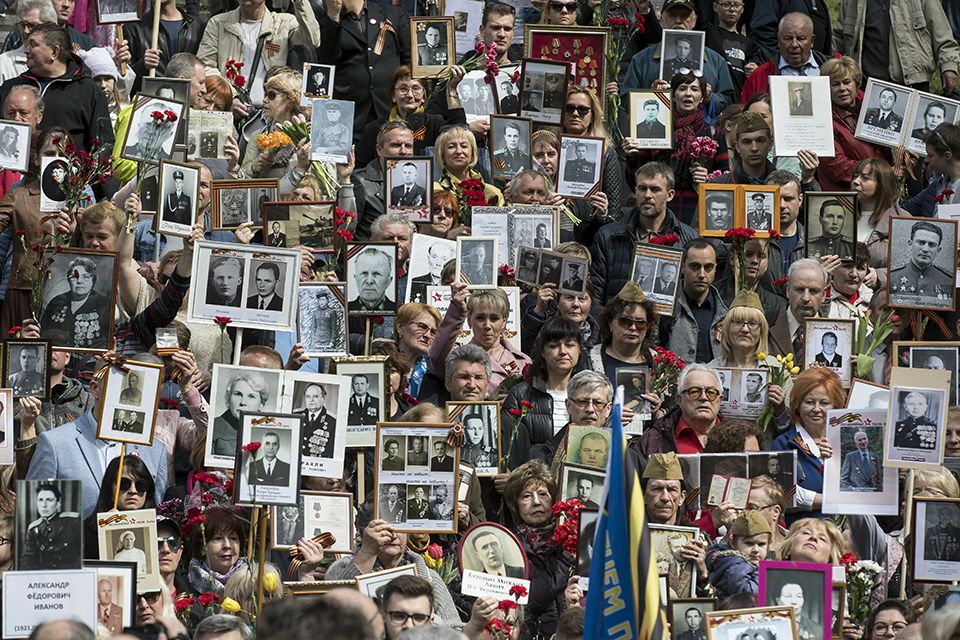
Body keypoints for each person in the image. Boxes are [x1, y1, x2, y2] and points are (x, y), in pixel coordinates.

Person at [0, 24, 109, 154]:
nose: (26, 50)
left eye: (33, 45)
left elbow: (103, 146)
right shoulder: (11, 88)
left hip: (66, 166)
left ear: (54, 52)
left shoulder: (88, 91)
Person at [502, 460, 573, 638]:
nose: (536, 502)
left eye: (542, 494)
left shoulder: (570, 538)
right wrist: (564, 561)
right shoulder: (509, 545)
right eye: (526, 496)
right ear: (515, 505)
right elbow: (528, 600)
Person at [834, 0, 959, 96]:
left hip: (912, 83)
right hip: (868, 84)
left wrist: (949, 66)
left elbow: (942, 34)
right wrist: (823, 62)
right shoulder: (852, 2)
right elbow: (840, 36)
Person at [772, 369, 846, 521]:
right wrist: (834, 501)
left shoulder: (847, 441)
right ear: (797, 405)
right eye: (809, 402)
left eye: (824, 403)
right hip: (804, 529)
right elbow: (785, 495)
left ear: (835, 407)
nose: (816, 409)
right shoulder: (784, 443)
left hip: (846, 530)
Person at [818, 56, 891, 191]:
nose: (842, 88)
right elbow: (836, 166)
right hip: (845, 196)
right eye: (835, 84)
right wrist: (882, 172)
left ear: (856, 84)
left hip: (878, 192)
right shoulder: (823, 121)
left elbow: (885, 153)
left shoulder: (873, 112)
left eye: (846, 82)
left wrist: (902, 161)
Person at [634, 364, 723, 458]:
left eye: (711, 392)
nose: (704, 397)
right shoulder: (651, 441)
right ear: (680, 400)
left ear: (720, 400)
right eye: (694, 392)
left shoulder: (733, 438)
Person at [38, 256, 111, 349]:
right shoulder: (56, 302)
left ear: (93, 280)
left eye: (85, 277)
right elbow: (43, 334)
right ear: (68, 280)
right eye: (74, 277)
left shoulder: (104, 304)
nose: (79, 281)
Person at [706, 510, 771, 601]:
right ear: (733, 544)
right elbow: (749, 594)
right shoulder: (735, 566)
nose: (756, 549)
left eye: (761, 544)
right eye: (749, 543)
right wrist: (762, 571)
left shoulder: (748, 564)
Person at [186, 507, 247, 597]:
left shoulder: (255, 582)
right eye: (218, 538)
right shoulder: (185, 589)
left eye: (233, 538)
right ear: (202, 547)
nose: (227, 545)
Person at [889, 220, 954, 303]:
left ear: (938, 250)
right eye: (921, 243)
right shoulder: (892, 277)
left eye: (932, 245)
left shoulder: (949, 280)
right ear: (910, 244)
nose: (925, 249)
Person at [21, 483, 80, 570]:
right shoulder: (34, 528)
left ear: (58, 504)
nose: (44, 505)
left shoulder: (73, 521)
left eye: (49, 500)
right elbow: (28, 560)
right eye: (40, 500)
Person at [211, 370, 271, 457]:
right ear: (229, 398)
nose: (243, 402)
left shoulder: (268, 431)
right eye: (238, 394)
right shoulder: (213, 427)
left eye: (251, 396)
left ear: (261, 404)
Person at [349, 247, 395, 313]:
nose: (369, 281)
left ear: (388, 281)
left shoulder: (398, 310)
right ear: (356, 279)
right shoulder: (344, 309)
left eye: (376, 274)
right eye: (364, 273)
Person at [300, 383, 336, 459]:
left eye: (315, 396)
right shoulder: (296, 416)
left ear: (323, 398)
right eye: (308, 396)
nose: (311, 400)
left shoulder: (333, 422)